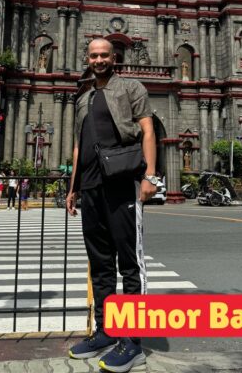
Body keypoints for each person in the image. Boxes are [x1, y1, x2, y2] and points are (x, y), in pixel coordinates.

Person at [67, 38, 157, 372]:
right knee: (100, 264)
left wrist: (150, 176)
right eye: (94, 55)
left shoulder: (130, 87)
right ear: (87, 59)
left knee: (129, 263)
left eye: (105, 55)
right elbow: (79, 146)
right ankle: (106, 331)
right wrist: (73, 187)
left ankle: (133, 342)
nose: (99, 59)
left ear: (113, 57)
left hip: (123, 183)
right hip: (90, 187)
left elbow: (147, 130)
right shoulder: (84, 96)